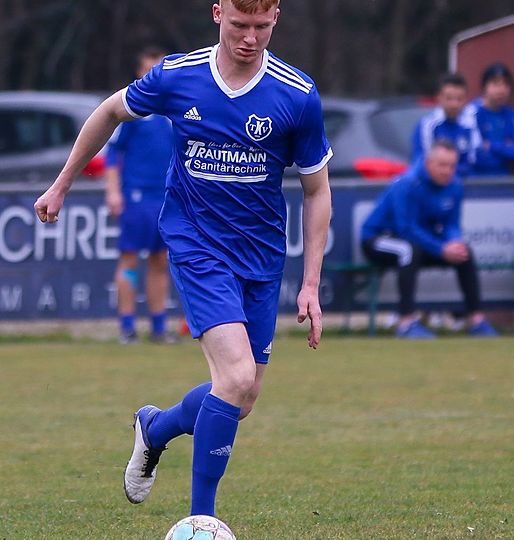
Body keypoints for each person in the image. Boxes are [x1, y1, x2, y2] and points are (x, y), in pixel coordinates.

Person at [34, 0, 332, 519]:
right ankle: (202, 521)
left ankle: (156, 427)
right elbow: (109, 112)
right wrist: (61, 184)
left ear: (276, 18)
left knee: (242, 398)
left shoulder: (297, 94)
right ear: (217, 14)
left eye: (261, 26)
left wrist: (310, 283)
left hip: (261, 256)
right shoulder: (178, 75)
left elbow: (317, 190)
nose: (250, 37)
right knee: (234, 377)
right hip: (197, 244)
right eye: (239, 24)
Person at [361, 140, 498, 339]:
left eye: (452, 165)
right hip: (379, 239)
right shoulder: (407, 184)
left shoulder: (455, 186)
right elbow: (406, 229)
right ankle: (406, 322)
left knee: (464, 252)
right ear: (428, 163)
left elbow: (452, 224)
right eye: (442, 165)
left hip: (418, 242)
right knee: (408, 251)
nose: (447, 171)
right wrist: (441, 249)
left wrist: (454, 242)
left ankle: (476, 320)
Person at [105, 47, 176, 344]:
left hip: (168, 197)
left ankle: (159, 326)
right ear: (139, 73)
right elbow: (112, 154)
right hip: (136, 196)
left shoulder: (175, 108)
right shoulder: (132, 108)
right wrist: (113, 192)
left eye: (158, 69)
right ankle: (127, 326)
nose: (154, 75)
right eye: (148, 70)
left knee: (160, 260)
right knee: (130, 259)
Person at [465, 63, 514, 176]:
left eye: (506, 84)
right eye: (496, 84)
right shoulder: (471, 113)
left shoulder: (511, 115)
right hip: (475, 181)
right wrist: (507, 147)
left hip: (506, 180)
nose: (501, 90)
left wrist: (491, 146)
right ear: (485, 87)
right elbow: (476, 156)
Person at [409, 73, 478, 177]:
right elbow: (421, 162)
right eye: (449, 98)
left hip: (463, 183)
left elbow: (474, 162)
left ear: (465, 100)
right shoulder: (427, 125)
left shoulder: (470, 125)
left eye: (459, 99)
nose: (454, 104)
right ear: (439, 97)